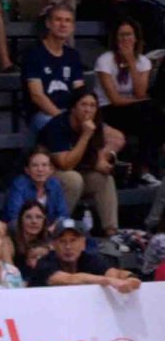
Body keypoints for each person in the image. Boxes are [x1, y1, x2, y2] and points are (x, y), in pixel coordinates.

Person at [38, 87, 123, 235]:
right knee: (73, 179)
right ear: (73, 108)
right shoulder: (58, 125)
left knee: (104, 179)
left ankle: (112, 232)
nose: (88, 110)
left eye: (92, 106)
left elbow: (117, 138)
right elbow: (65, 164)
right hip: (46, 175)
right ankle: (57, 230)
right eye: (84, 105)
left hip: (78, 172)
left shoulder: (94, 124)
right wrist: (85, 135)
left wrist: (102, 160)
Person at [93, 17, 161, 185]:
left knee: (154, 115)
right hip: (106, 110)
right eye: (121, 35)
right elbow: (114, 99)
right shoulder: (105, 60)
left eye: (129, 35)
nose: (125, 40)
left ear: (136, 38)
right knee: (150, 110)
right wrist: (139, 99)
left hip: (132, 111)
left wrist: (131, 62)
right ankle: (143, 169)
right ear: (115, 39)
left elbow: (140, 92)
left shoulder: (143, 61)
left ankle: (144, 170)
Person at [21, 3, 87, 131]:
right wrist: (63, 118)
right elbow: (37, 96)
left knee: (114, 137)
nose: (63, 24)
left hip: (70, 114)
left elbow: (80, 92)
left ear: (72, 27)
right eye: (58, 20)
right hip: (43, 114)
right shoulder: (33, 54)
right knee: (61, 128)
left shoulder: (73, 55)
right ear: (48, 24)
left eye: (68, 21)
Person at [31, 215, 141, 290]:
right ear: (54, 245)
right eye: (62, 241)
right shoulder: (44, 263)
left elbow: (114, 273)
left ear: (83, 243)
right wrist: (109, 281)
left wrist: (131, 279)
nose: (68, 247)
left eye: (73, 240)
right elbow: (70, 279)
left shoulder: (89, 259)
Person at [5, 146, 71, 224]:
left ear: (51, 169)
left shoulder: (55, 185)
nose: (40, 169)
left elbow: (63, 215)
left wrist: (51, 230)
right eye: (35, 165)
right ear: (27, 170)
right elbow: (14, 217)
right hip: (24, 231)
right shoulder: (19, 185)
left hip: (50, 232)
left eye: (44, 165)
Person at [9, 200, 53, 283]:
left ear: (44, 221)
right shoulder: (10, 241)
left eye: (39, 217)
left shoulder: (49, 240)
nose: (34, 221)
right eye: (28, 217)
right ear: (21, 220)